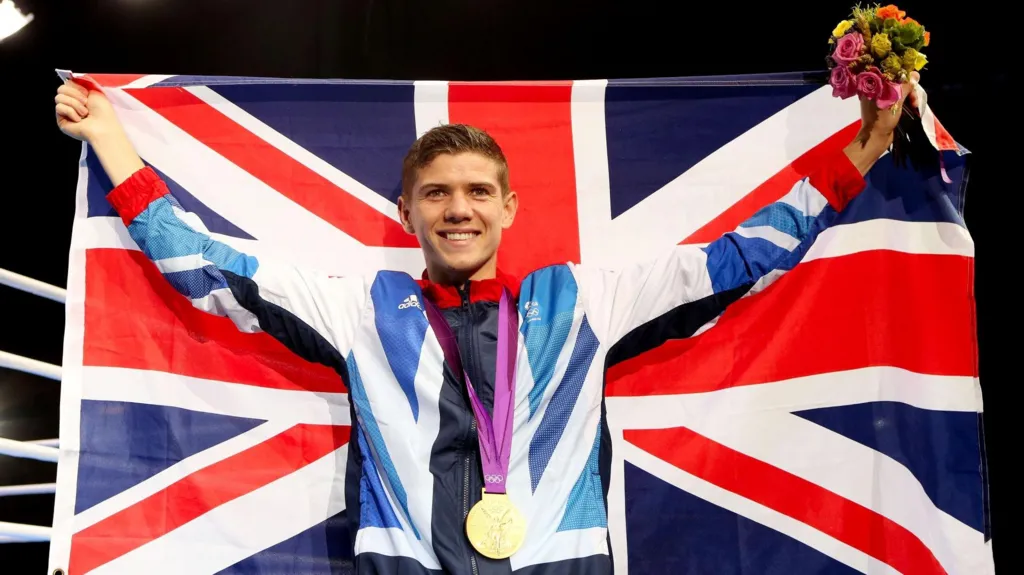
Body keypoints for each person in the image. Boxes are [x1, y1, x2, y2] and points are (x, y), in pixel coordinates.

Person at [55, 72, 919, 575]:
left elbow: (740, 256)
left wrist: (864, 150)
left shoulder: (581, 300)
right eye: (437, 193)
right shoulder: (361, 310)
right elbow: (201, 263)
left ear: (509, 208)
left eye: (476, 193)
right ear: (406, 212)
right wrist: (113, 142)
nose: (457, 210)